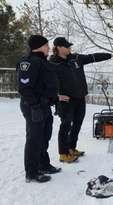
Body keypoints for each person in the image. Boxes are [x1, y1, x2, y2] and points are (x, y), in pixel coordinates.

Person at [49, 37, 113, 163]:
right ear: (59, 48)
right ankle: (63, 153)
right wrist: (56, 96)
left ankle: (71, 148)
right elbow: (48, 83)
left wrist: (110, 55)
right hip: (65, 101)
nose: (69, 48)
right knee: (66, 125)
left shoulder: (76, 58)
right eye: (67, 46)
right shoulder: (52, 64)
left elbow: (93, 57)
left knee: (77, 123)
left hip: (80, 98)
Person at [17, 35, 61, 183]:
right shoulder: (28, 62)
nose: (49, 48)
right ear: (39, 46)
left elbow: (46, 85)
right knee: (34, 139)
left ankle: (43, 164)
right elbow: (24, 87)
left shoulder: (43, 62)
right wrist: (35, 106)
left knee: (44, 136)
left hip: (44, 105)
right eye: (46, 45)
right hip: (33, 106)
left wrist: (54, 99)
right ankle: (32, 172)